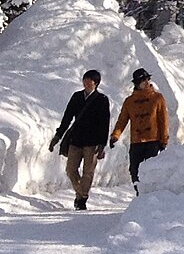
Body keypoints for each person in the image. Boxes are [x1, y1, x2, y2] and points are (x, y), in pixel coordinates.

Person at [48, 69, 111, 210]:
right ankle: (81, 195)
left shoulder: (102, 100)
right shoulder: (76, 97)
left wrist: (102, 143)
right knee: (71, 170)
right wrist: (58, 136)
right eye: (85, 80)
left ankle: (81, 200)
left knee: (88, 172)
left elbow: (104, 123)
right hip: (76, 139)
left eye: (90, 81)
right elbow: (67, 118)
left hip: (93, 142)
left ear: (96, 83)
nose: (86, 83)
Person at [110, 67, 171, 192]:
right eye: (141, 81)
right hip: (136, 141)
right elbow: (122, 120)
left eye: (146, 80)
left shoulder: (158, 98)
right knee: (134, 169)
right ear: (136, 83)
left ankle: (150, 194)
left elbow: (163, 120)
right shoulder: (129, 101)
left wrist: (164, 140)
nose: (145, 83)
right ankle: (139, 193)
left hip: (153, 140)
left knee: (151, 170)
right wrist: (115, 135)